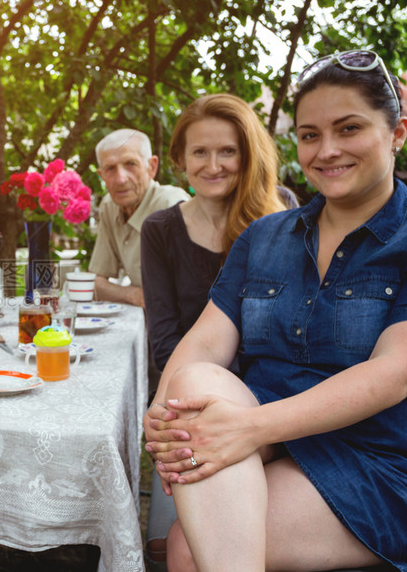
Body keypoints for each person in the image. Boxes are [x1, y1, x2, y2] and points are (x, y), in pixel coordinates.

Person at [144, 50, 407, 571]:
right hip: (262, 439)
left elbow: (394, 376)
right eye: (310, 134)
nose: (327, 150)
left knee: (186, 548)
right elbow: (203, 342)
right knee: (195, 377)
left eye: (349, 128)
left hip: (374, 457)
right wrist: (161, 413)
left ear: (398, 132)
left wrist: (250, 428)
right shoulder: (265, 236)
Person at [139, 93, 289, 569]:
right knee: (176, 544)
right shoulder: (161, 229)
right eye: (200, 152)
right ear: (181, 160)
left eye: (227, 151)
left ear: (247, 154)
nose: (213, 164)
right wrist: (199, 398)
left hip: (278, 398)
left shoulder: (283, 215)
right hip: (194, 391)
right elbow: (165, 339)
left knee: (189, 538)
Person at [89, 129, 190, 308]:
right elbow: (96, 284)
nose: (120, 179)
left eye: (130, 164)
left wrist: (134, 295)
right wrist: (133, 294)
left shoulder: (171, 205)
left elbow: (187, 291)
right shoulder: (110, 206)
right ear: (101, 176)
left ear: (152, 167)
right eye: (110, 168)